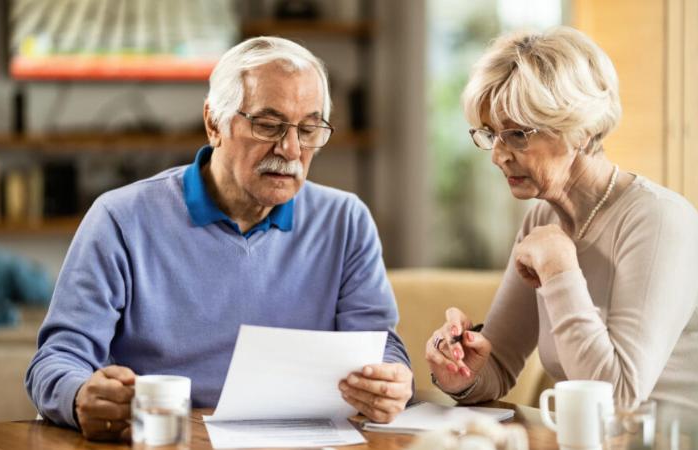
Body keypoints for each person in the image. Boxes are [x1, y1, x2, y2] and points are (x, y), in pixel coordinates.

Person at [26, 37, 413, 441]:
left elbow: (380, 346)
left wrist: (390, 382)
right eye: (268, 125)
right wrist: (78, 396)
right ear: (214, 123)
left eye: (309, 128)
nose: (291, 148)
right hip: (168, 440)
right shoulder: (120, 219)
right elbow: (55, 362)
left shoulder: (346, 220)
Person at [425, 27, 698, 413]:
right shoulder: (543, 221)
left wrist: (560, 269)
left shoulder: (659, 222)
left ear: (578, 130)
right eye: (491, 134)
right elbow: (498, 364)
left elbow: (618, 396)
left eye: (516, 135)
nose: (498, 155)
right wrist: (462, 374)